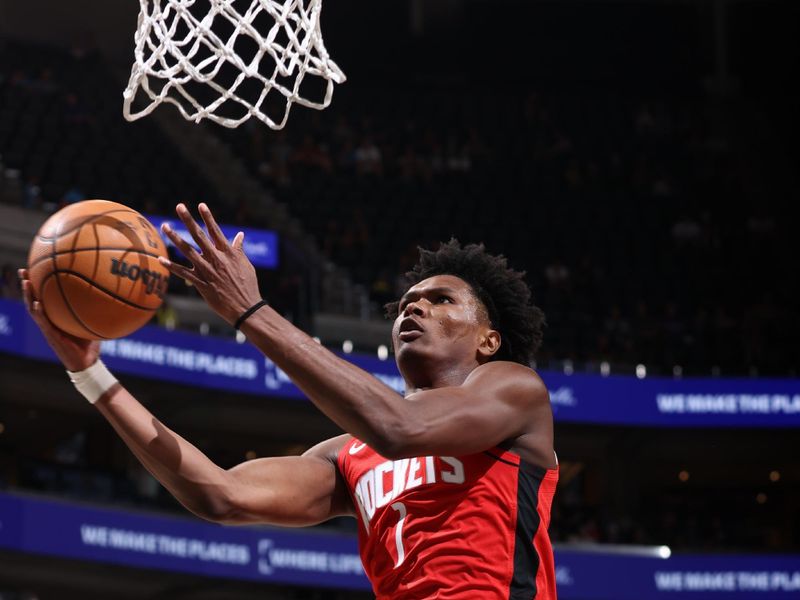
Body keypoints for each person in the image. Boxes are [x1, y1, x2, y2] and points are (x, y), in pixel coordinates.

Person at [18, 202, 558, 599]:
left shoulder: (513, 390)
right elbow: (221, 494)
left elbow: (402, 429)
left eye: (441, 301)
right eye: (405, 305)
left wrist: (250, 313)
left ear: (489, 340)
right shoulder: (349, 456)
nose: (412, 311)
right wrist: (90, 374)